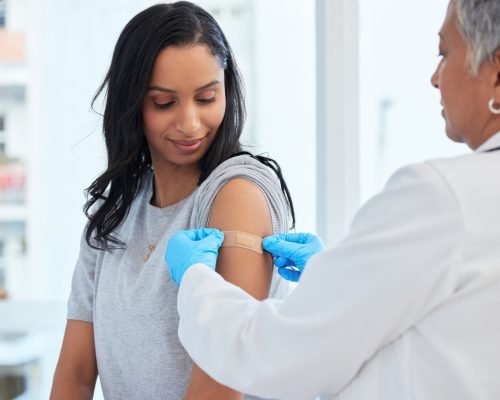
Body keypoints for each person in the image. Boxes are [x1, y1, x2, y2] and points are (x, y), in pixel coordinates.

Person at [165, 0, 500, 398]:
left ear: (496, 75)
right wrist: (336, 281)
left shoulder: (445, 197)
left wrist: (196, 282)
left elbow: (276, 357)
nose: (434, 77)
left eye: (444, 53)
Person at [50, 2, 295, 400]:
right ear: (132, 104)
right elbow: (75, 374)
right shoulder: (113, 214)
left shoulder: (237, 193)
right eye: (164, 103)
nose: (190, 124)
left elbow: (221, 382)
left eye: (206, 98)